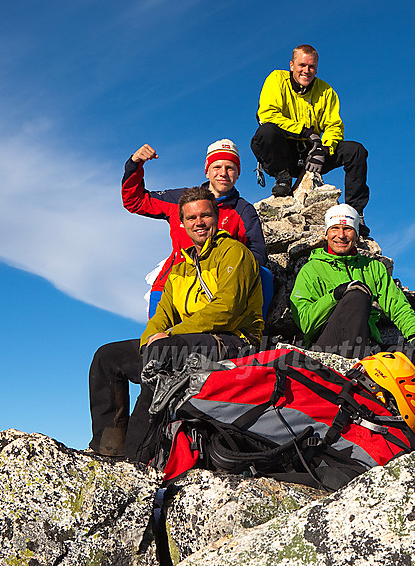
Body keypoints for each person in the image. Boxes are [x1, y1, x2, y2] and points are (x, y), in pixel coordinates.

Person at [89, 186, 264, 459]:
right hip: (189, 340)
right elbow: (163, 314)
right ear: (181, 223)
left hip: (234, 341)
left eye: (205, 215)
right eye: (192, 218)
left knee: (161, 355)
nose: (199, 223)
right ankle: (109, 449)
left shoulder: (233, 253)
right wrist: (150, 339)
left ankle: (137, 457)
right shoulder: (180, 267)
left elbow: (227, 310)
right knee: (107, 357)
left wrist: (168, 335)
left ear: (216, 218)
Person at [290, 204, 415, 378]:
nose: (341, 235)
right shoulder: (311, 270)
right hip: (327, 346)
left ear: (356, 234)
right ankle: (352, 379)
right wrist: (335, 296)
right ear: (326, 233)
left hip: (368, 346)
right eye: (335, 229)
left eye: (347, 228)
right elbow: (305, 323)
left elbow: (397, 304)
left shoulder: (372, 268)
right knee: (356, 296)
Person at [122, 139, 267, 317]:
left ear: (238, 174)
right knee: (158, 341)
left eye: (230, 168)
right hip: (170, 285)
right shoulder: (181, 200)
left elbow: (257, 255)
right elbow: (135, 201)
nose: (223, 173)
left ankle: (256, 336)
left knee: (264, 275)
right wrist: (135, 164)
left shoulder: (243, 211)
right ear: (207, 171)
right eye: (217, 167)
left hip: (215, 288)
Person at [251, 44, 370, 234]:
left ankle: (356, 213)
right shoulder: (276, 79)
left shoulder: (326, 90)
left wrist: (324, 149)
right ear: (292, 65)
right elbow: (268, 114)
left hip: (312, 155)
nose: (306, 71)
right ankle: (282, 177)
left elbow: (334, 125)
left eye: (311, 67)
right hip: (284, 152)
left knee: (355, 151)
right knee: (266, 132)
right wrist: (306, 133)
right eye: (302, 65)